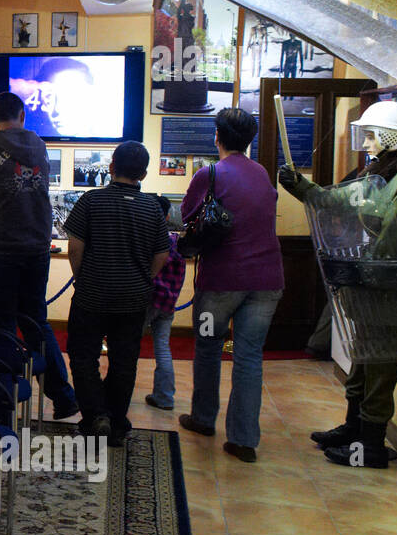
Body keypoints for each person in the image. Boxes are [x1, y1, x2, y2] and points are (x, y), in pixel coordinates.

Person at [280, 100, 397, 468]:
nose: (366, 144)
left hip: (390, 297)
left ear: (391, 136)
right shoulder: (381, 173)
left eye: (371, 136)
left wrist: (360, 269)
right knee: (363, 365)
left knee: (380, 371)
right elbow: (336, 201)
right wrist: (302, 187)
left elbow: (391, 246)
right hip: (371, 291)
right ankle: (354, 429)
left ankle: (369, 445)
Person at [0, 92, 77, 420]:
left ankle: (1, 403)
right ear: (23, 115)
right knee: (36, 322)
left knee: (0, 328)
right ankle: (63, 396)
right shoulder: (39, 146)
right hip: (37, 250)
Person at [177, 108, 284, 463]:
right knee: (249, 356)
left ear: (217, 136)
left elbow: (187, 217)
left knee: (208, 347)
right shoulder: (262, 173)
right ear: (249, 139)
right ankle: (244, 440)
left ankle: (204, 418)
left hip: (222, 280)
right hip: (267, 280)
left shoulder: (209, 174)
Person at [62, 142, 169, 442]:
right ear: (144, 174)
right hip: (133, 298)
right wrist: (143, 278)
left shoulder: (91, 201)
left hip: (91, 294)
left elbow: (75, 248)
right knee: (125, 360)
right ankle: (116, 421)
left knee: (84, 358)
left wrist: (81, 278)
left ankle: (96, 416)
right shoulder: (151, 207)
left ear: (111, 167)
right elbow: (162, 254)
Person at [145, 195, 187, 411]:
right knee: (163, 348)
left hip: (147, 301)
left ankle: (115, 395)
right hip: (168, 303)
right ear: (168, 215)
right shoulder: (176, 242)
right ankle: (164, 397)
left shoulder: (149, 239)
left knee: (128, 346)